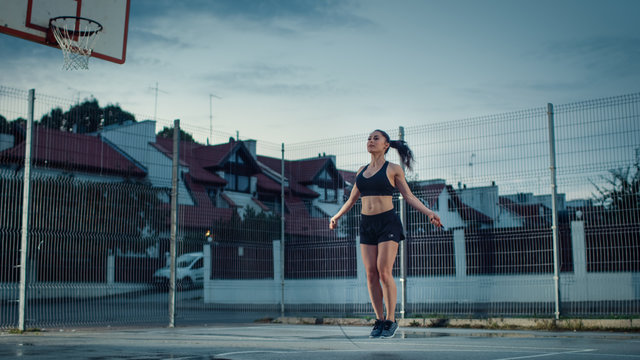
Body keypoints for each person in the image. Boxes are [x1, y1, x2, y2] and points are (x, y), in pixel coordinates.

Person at [329, 129, 442, 338]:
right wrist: (336, 216)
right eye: (369, 138)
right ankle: (379, 320)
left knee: (383, 270)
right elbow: (352, 199)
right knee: (370, 273)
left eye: (376, 138)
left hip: (388, 223)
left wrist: (429, 212)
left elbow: (408, 196)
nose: (371, 141)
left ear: (386, 145)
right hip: (366, 224)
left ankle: (391, 319)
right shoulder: (361, 171)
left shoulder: (393, 169)